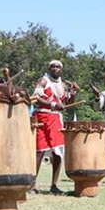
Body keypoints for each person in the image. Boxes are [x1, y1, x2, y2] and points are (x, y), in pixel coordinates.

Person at [32, 60, 79, 195]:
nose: (55, 69)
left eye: (58, 67)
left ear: (61, 70)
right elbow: (36, 98)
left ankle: (54, 185)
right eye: (52, 66)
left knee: (57, 152)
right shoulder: (43, 81)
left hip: (56, 119)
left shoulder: (63, 85)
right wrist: (52, 105)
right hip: (43, 117)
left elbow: (68, 103)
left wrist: (74, 93)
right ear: (49, 68)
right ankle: (32, 185)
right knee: (39, 151)